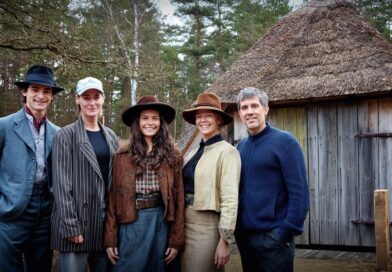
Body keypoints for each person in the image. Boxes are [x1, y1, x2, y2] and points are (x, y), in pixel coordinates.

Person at [104, 95, 184, 272]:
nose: (150, 123)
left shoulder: (173, 155)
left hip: (161, 222)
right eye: (145, 118)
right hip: (131, 223)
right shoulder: (121, 156)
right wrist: (110, 239)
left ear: (161, 122)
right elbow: (112, 200)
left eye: (155, 118)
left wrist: (176, 240)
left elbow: (179, 201)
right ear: (137, 122)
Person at [235, 87, 310, 272]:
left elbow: (300, 194)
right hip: (245, 239)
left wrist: (286, 231)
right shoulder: (240, 148)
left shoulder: (285, 142)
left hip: (274, 238)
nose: (249, 111)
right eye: (244, 108)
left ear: (265, 109)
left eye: (254, 106)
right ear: (239, 113)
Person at [51, 77, 118, 272]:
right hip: (76, 223)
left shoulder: (111, 136)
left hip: (103, 222)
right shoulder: (66, 135)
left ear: (103, 99)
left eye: (96, 97)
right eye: (86, 97)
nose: (92, 102)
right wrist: (71, 226)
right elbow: (61, 185)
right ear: (77, 99)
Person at [0, 65, 63, 271]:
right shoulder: (4, 126)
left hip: (44, 212)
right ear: (24, 91)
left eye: (46, 91)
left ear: (52, 96)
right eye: (35, 89)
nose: (40, 96)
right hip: (10, 211)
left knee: (40, 266)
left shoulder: (57, 132)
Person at [181, 91, 241, 272]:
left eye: (208, 116)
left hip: (206, 228)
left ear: (218, 120)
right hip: (183, 224)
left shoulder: (228, 152)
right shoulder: (192, 153)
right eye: (199, 116)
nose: (203, 120)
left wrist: (224, 240)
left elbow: (230, 199)